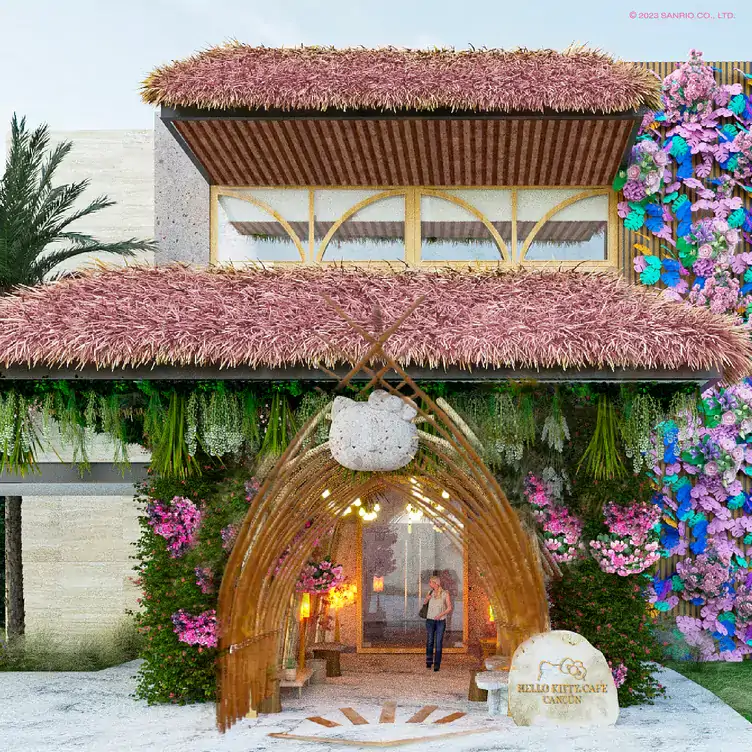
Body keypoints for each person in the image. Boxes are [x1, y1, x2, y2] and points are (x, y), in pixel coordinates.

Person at [422, 575, 452, 672]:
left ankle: (437, 664)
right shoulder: (429, 592)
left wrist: (440, 615)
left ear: (436, 583)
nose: (429, 584)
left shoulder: (445, 593)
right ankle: (429, 662)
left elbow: (449, 608)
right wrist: (426, 598)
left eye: (431, 582)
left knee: (438, 643)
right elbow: (424, 604)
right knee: (430, 642)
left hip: (440, 621)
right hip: (430, 621)